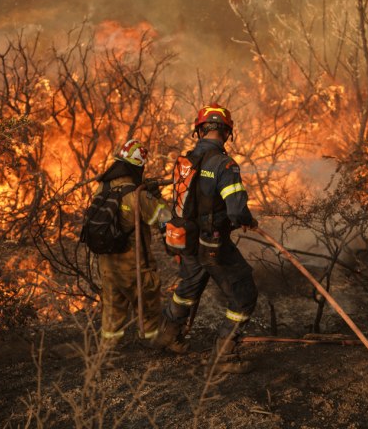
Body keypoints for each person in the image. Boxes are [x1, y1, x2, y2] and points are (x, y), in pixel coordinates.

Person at [153, 104, 259, 373]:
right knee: (243, 293)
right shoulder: (224, 165)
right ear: (227, 132)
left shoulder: (185, 162)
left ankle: (168, 334)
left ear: (199, 130)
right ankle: (222, 356)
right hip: (212, 243)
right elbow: (236, 210)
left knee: (189, 285)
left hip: (186, 240)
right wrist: (247, 219)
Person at [96, 139, 171, 348]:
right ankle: (152, 346)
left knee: (113, 307)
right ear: (137, 167)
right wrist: (157, 197)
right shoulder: (136, 196)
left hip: (108, 265)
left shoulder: (103, 189)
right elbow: (164, 218)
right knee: (148, 302)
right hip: (134, 264)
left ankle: (108, 350)